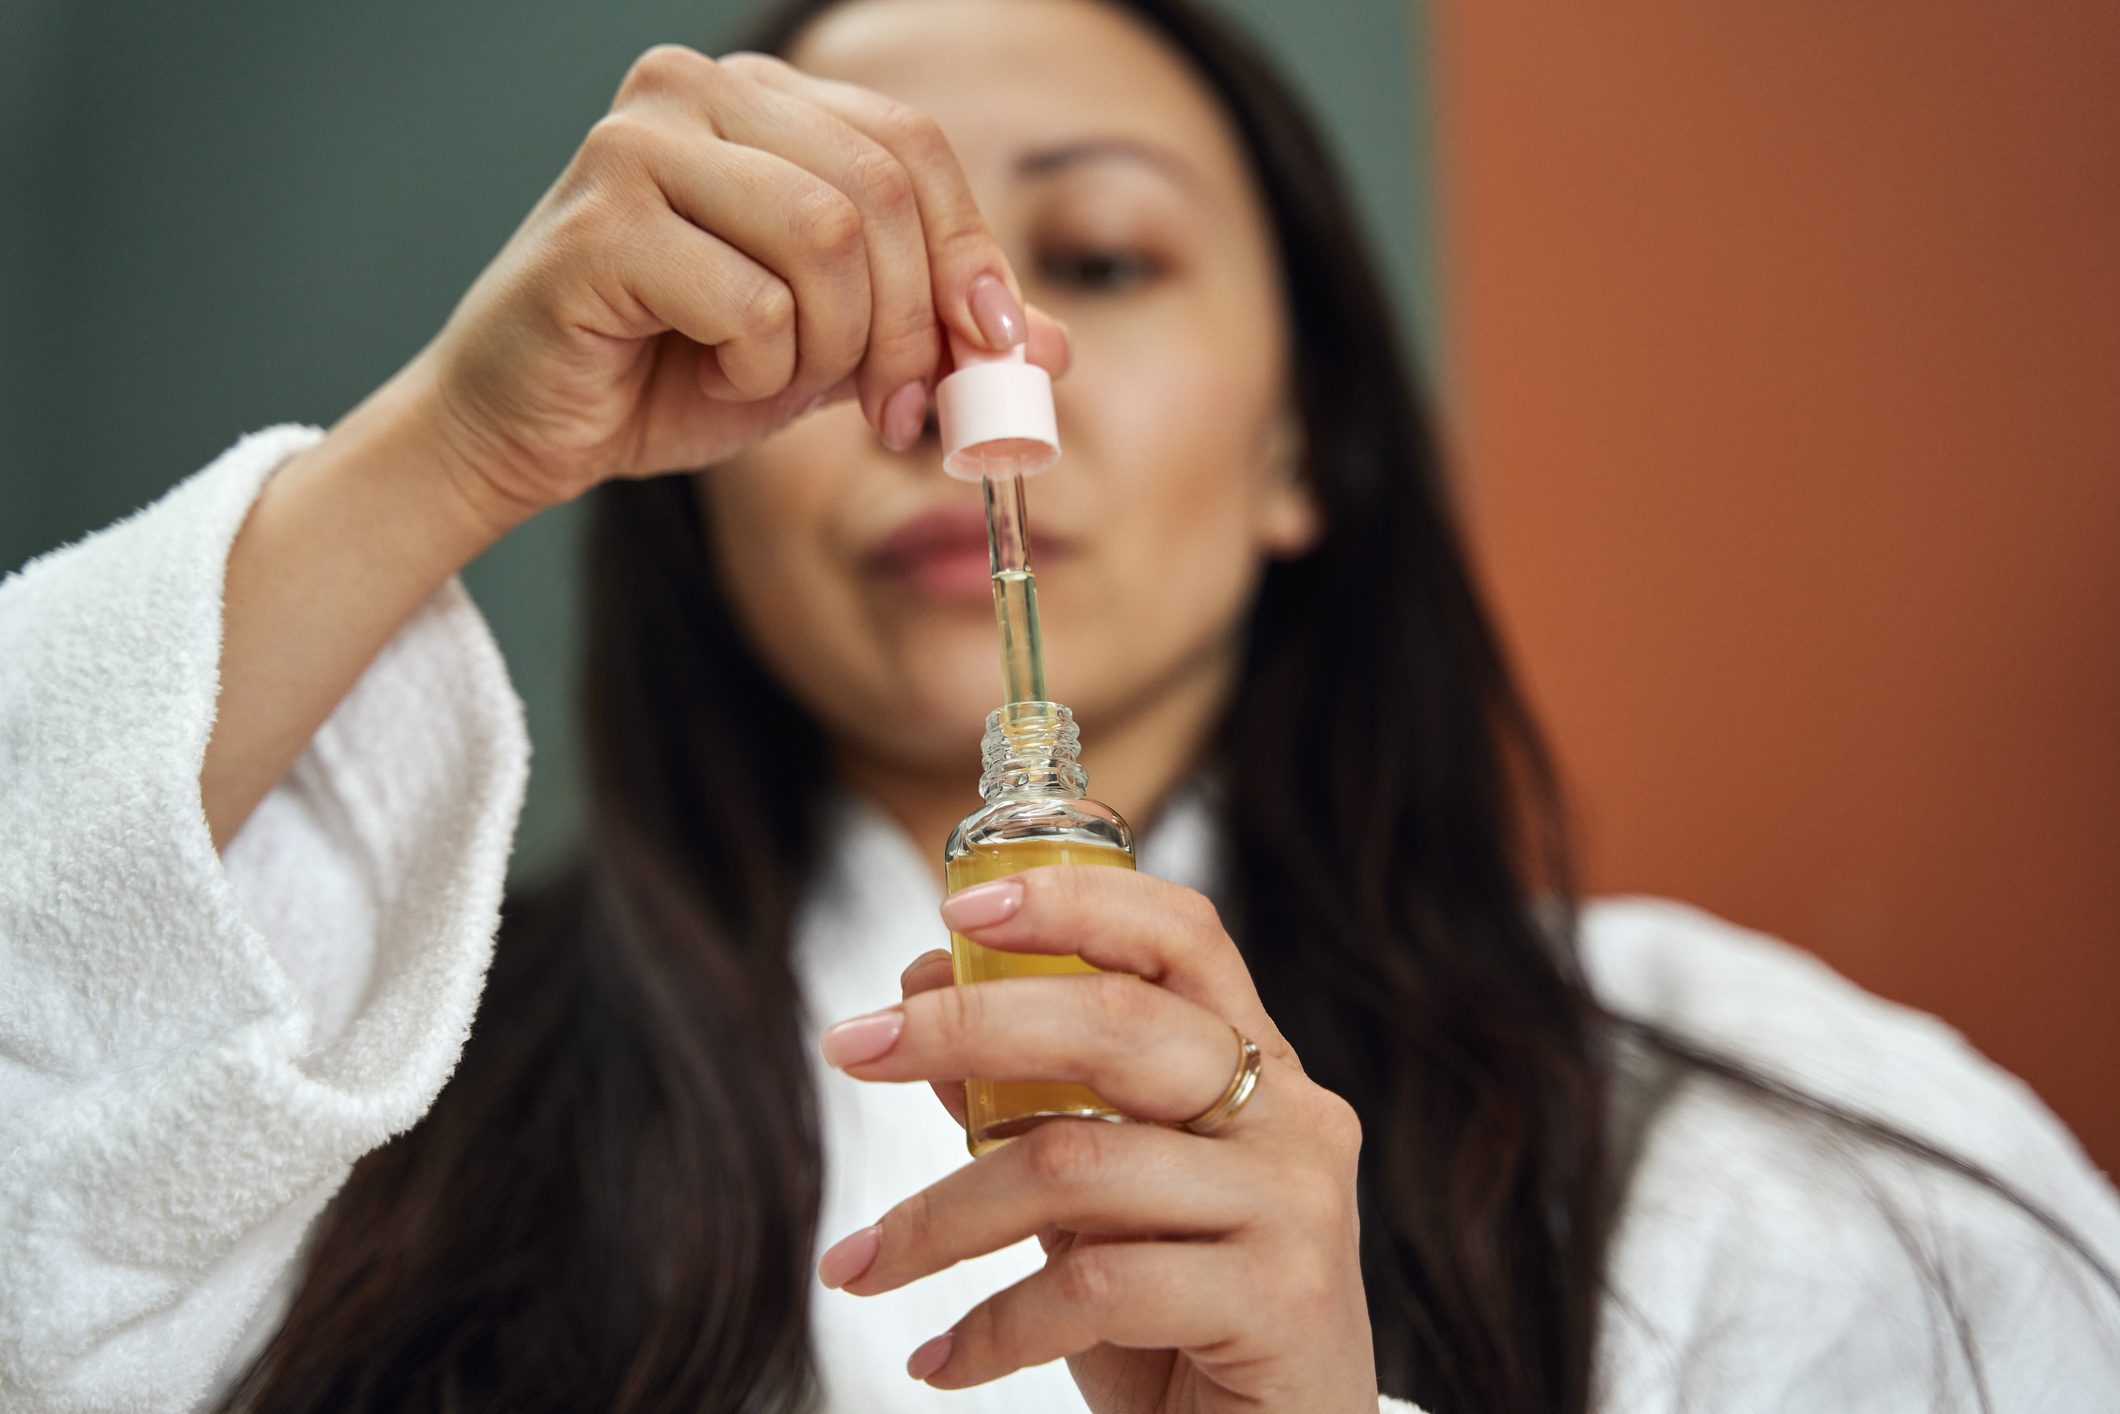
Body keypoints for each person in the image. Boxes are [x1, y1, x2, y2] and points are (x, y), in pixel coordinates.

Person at [2, 0, 2115, 1410]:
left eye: (1099, 256)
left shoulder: (1775, 1155)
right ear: (690, 484)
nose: (951, 387)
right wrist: (446, 442)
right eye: (822, 307)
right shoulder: (362, 1098)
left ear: (1308, 446)